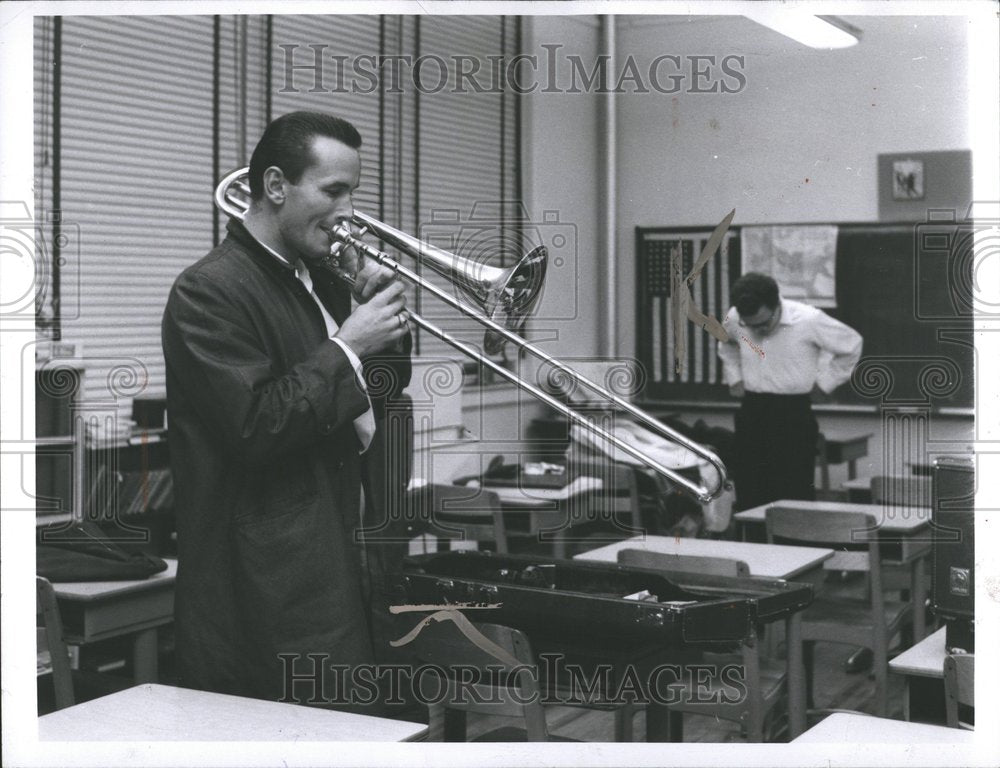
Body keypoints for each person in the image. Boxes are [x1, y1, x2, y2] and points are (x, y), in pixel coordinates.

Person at [161, 111, 412, 708]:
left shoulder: (319, 279)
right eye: (333, 191)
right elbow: (257, 425)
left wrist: (376, 315)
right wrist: (350, 343)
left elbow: (380, 388)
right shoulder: (209, 291)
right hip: (266, 591)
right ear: (275, 186)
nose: (349, 211)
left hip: (340, 559)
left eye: (352, 191)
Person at [717, 272, 862, 511]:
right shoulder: (734, 317)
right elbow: (726, 343)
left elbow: (852, 345)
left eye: (764, 323)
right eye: (750, 326)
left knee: (793, 494)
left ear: (777, 305)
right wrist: (734, 377)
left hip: (793, 415)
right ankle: (753, 546)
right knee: (750, 492)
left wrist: (825, 383)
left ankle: (797, 547)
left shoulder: (808, 319)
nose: (758, 330)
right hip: (752, 411)